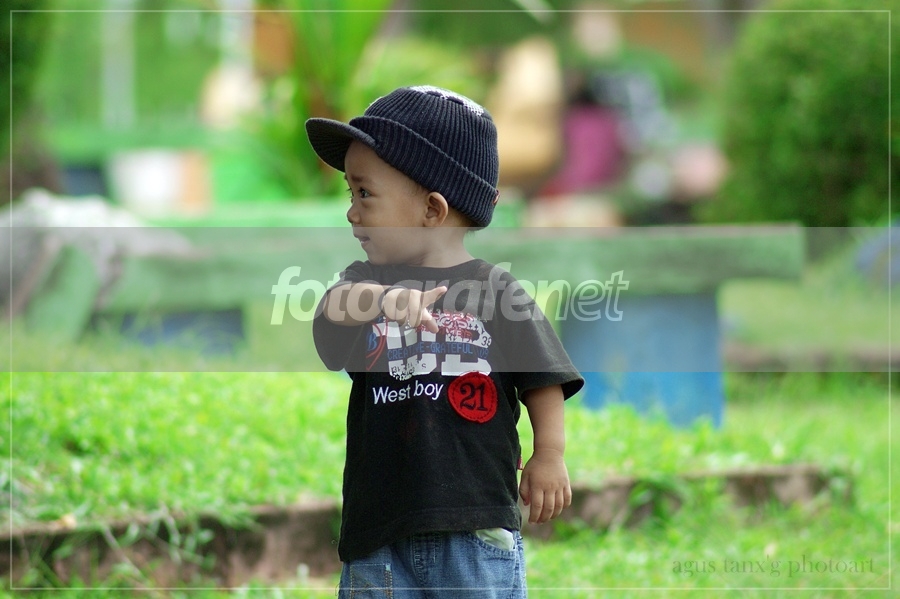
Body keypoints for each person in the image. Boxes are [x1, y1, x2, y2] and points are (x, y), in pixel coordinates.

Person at [306, 85, 584, 598]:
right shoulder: (364, 281)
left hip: (474, 526)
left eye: (364, 193)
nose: (352, 212)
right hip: (378, 531)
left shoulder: (497, 291)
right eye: (351, 194)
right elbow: (332, 311)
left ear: (432, 209)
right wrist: (383, 301)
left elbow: (542, 377)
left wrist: (549, 454)